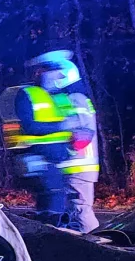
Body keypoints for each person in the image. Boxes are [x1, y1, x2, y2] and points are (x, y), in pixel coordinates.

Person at [0, 54, 81, 227]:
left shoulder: (60, 98)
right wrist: (62, 125)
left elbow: (73, 127)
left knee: (54, 206)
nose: (58, 77)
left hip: (60, 161)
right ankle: (48, 241)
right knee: (53, 202)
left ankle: (43, 238)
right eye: (54, 72)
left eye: (60, 73)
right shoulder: (27, 94)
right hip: (37, 159)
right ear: (41, 72)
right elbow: (29, 126)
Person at [28, 50, 100, 232]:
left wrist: (64, 152)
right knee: (71, 214)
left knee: (81, 212)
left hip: (79, 166)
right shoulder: (70, 98)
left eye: (47, 72)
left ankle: (102, 251)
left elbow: (82, 134)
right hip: (72, 166)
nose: (43, 77)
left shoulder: (75, 100)